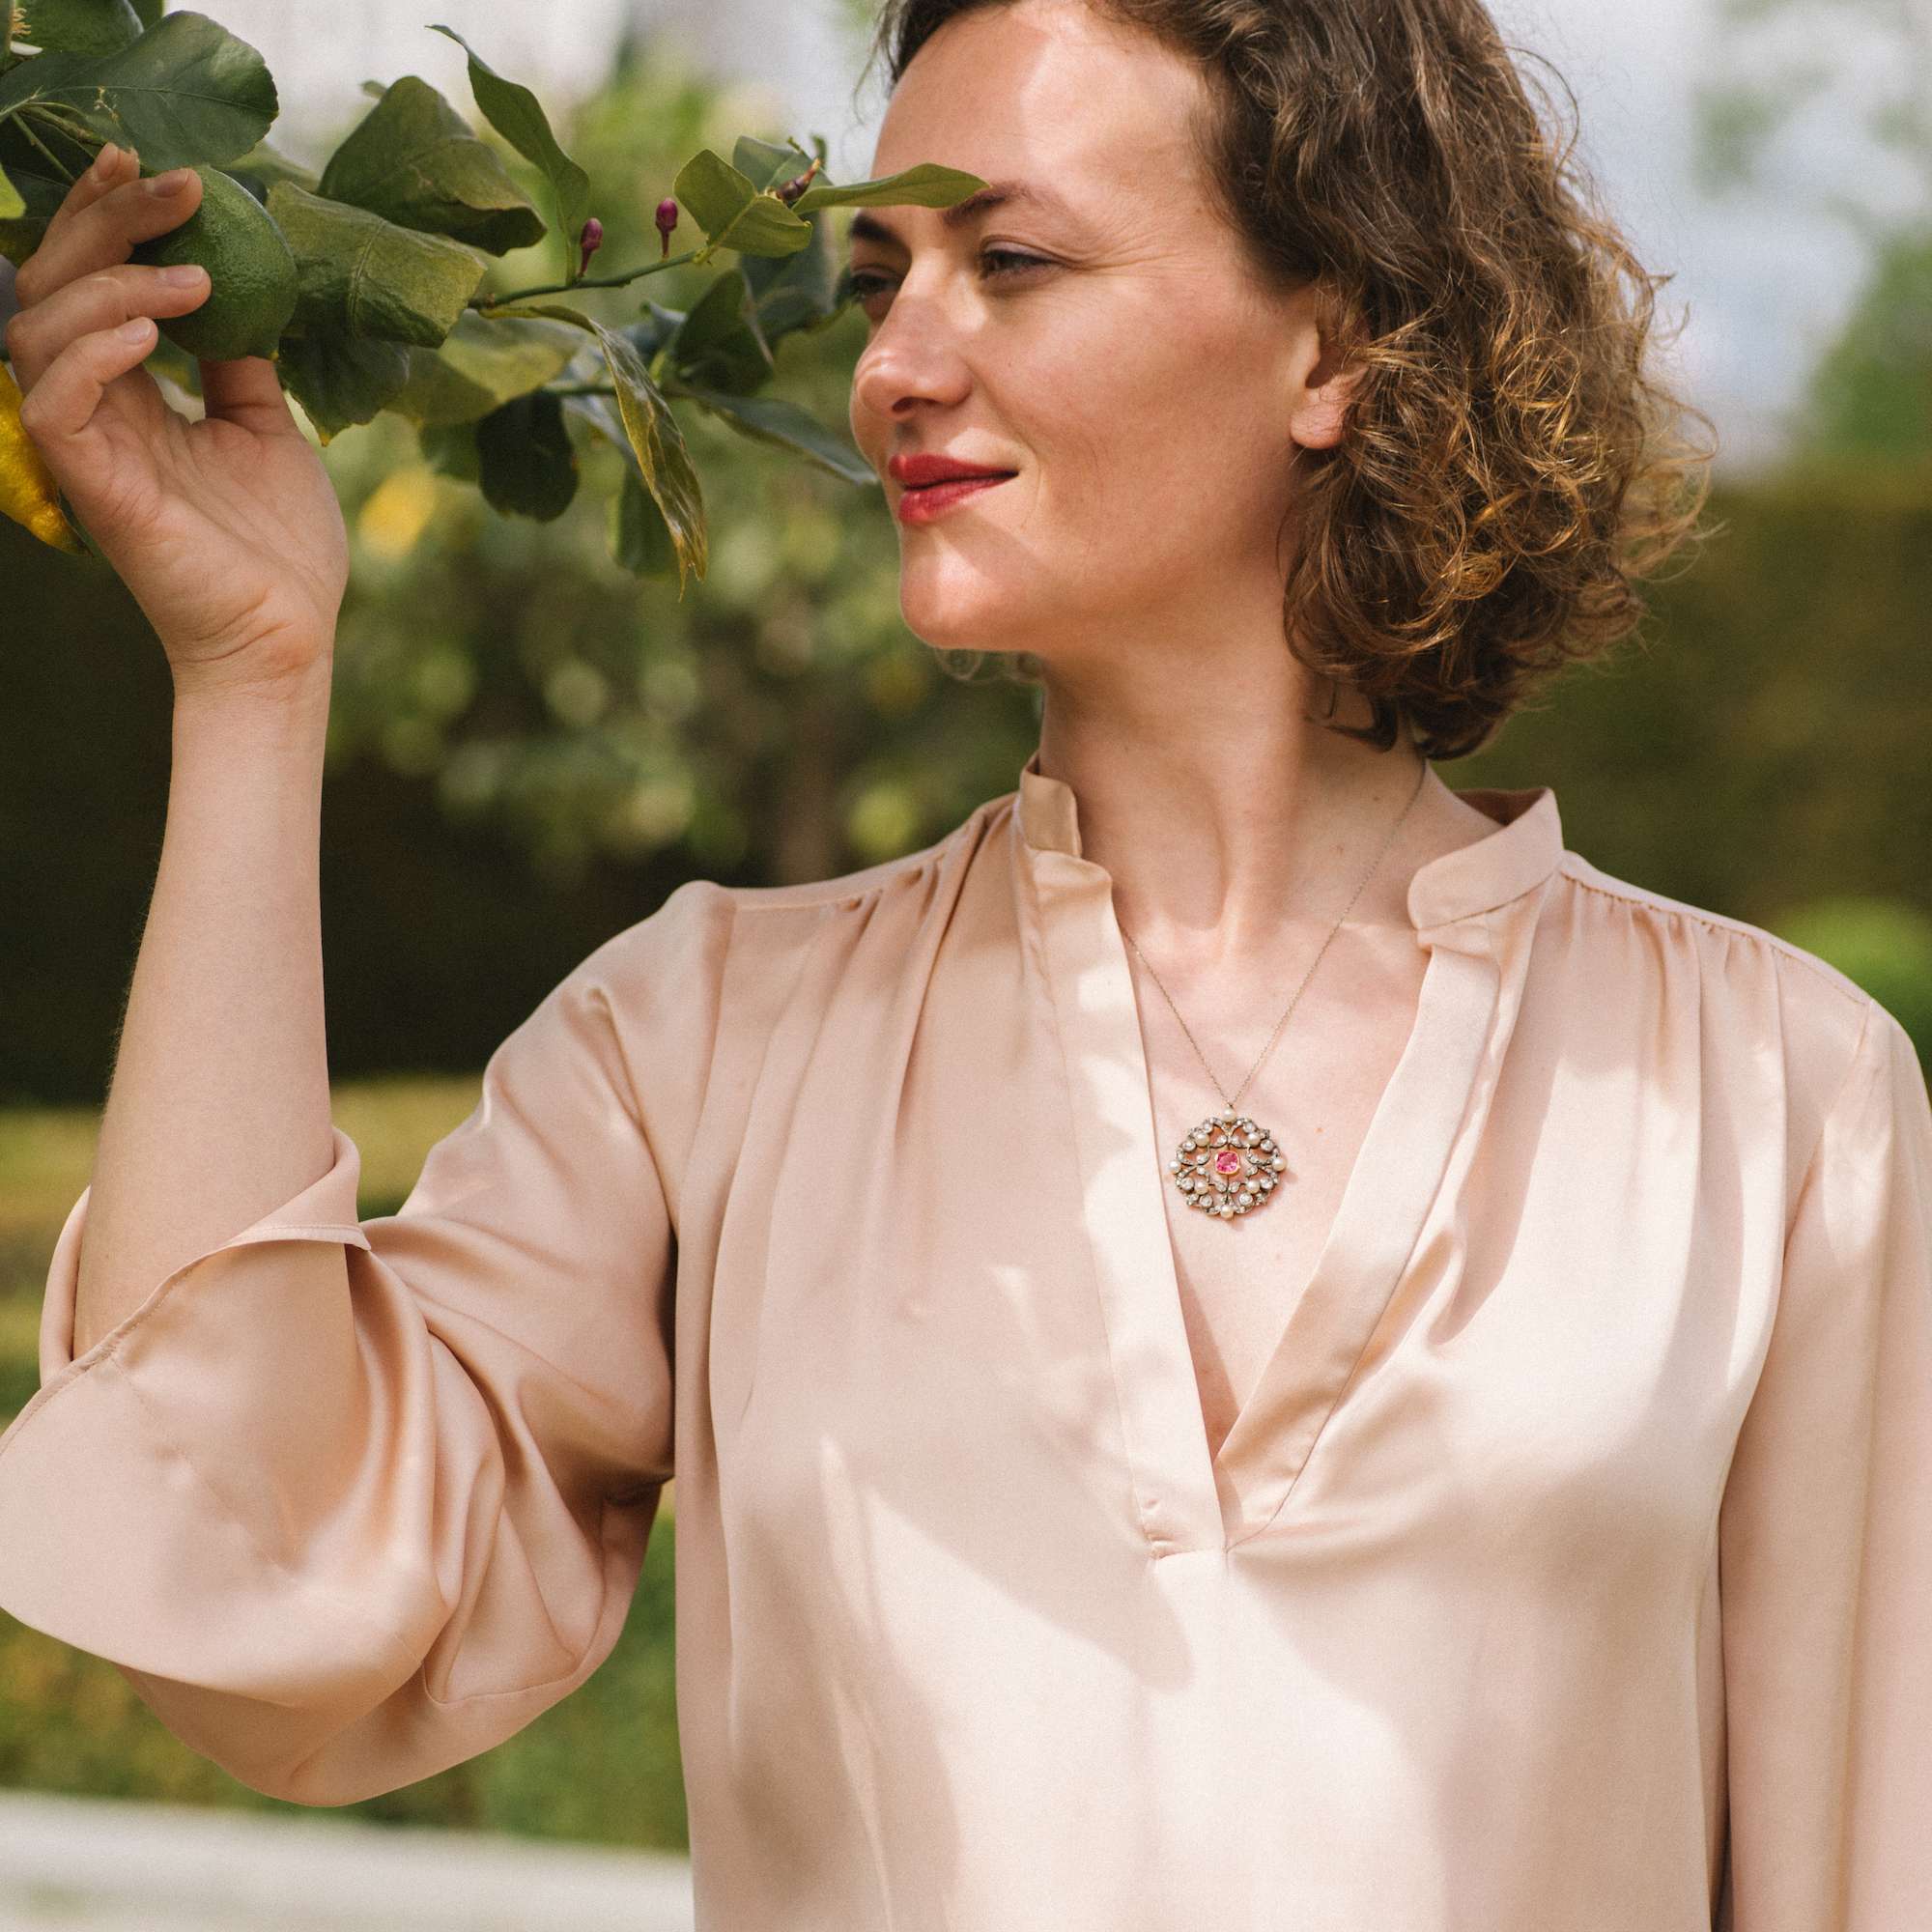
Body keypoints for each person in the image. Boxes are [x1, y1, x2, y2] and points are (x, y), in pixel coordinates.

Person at [0, 0, 1925, 1923]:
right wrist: (251, 681)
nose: (894, 369)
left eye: (1009, 262)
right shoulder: (706, 1046)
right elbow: (251, 1548)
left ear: (1335, 343)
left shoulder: (1774, 1103)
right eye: (880, 279)